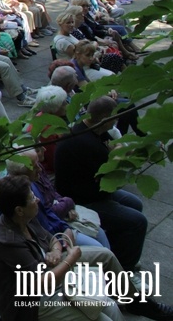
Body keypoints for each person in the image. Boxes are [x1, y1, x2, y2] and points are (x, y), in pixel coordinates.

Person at [0, 175, 127, 321]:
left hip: (52, 277)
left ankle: (135, 300)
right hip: (35, 301)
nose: (37, 199)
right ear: (19, 210)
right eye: (32, 198)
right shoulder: (8, 241)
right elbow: (40, 285)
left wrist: (56, 250)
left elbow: (52, 238)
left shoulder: (23, 218)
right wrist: (70, 259)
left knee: (111, 307)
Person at [54, 96, 147, 271]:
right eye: (115, 118)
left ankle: (121, 247)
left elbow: (111, 151)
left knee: (135, 203)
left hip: (92, 187)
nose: (117, 121)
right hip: (84, 199)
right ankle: (124, 268)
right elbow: (114, 181)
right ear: (105, 119)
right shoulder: (88, 144)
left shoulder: (88, 129)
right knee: (138, 221)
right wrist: (120, 157)